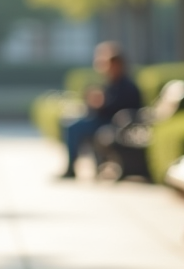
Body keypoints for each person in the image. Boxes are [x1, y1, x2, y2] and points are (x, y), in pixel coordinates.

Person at [60, 41, 142, 179]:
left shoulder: (126, 86)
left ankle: (71, 168)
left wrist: (100, 103)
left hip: (114, 123)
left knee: (74, 128)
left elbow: (117, 108)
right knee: (72, 123)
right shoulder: (112, 83)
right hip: (105, 120)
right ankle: (73, 166)